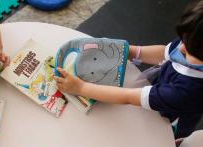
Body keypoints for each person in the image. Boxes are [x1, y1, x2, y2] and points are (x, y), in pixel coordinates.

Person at [54, 0, 203, 139]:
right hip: (163, 88)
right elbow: (166, 52)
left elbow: (127, 97)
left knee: (156, 141)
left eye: (190, 50)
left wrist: (81, 88)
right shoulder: (194, 40)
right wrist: (131, 51)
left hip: (167, 121)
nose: (182, 48)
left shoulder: (185, 91)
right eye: (183, 40)